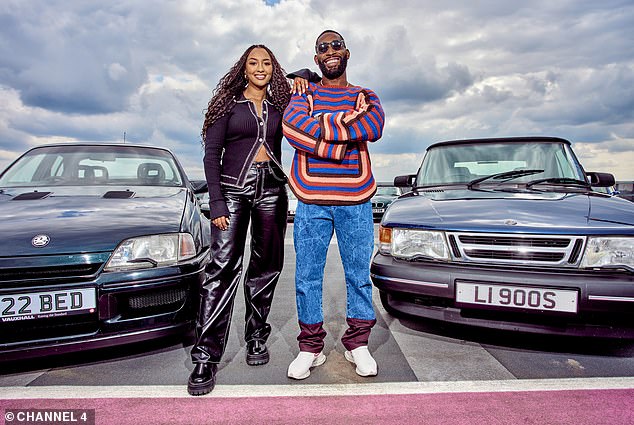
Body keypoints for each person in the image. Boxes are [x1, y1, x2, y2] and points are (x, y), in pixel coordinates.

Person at [188, 44, 291, 396]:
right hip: (233, 191)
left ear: (273, 69)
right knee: (221, 269)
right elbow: (211, 154)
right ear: (243, 68)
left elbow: (307, 84)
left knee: (266, 267)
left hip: (273, 189)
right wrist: (216, 202)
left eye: (266, 63)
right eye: (253, 62)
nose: (260, 67)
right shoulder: (227, 105)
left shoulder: (281, 105)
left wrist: (302, 77)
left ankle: (256, 338)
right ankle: (205, 356)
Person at [283, 30, 385, 380]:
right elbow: (293, 128)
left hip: (356, 198)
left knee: (358, 275)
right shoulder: (304, 93)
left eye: (336, 46)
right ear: (315, 59)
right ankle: (310, 348)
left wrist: (322, 129)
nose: (330, 51)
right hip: (311, 199)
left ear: (347, 53)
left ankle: (357, 344)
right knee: (307, 276)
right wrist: (343, 132)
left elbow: (374, 125)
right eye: (322, 48)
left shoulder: (365, 94)